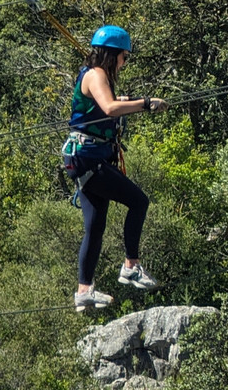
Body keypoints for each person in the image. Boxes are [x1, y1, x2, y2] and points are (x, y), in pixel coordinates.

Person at [66, 24, 169, 312]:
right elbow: (109, 109)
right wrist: (146, 104)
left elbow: (101, 106)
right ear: (113, 55)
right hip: (89, 157)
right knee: (138, 201)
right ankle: (131, 266)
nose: (125, 62)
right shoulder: (97, 74)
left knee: (95, 225)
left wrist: (128, 100)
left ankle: (84, 291)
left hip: (83, 157)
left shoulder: (91, 74)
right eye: (124, 56)